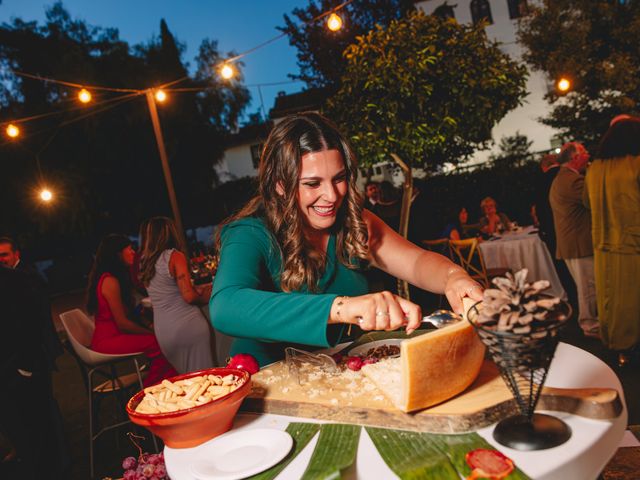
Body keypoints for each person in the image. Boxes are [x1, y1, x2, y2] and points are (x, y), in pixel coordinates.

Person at [210, 112, 483, 366]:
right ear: (281, 185)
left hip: (337, 373)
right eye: (312, 183)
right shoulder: (250, 232)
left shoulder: (353, 221)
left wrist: (453, 276)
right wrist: (341, 307)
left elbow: (417, 262)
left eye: (338, 179)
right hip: (267, 380)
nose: (331, 195)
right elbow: (225, 306)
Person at [0, 265, 68, 479]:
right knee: (21, 435)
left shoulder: (14, 279)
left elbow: (32, 321)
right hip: (11, 371)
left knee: (38, 434)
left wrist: (24, 367)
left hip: (20, 370)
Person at [584, 116, 640, 366]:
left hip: (604, 246)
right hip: (632, 244)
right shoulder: (635, 164)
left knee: (612, 301)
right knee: (633, 299)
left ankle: (621, 349)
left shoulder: (594, 170)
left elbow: (586, 202)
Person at [86, 234, 177, 386]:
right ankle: (149, 392)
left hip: (116, 335)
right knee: (159, 343)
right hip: (108, 340)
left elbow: (130, 315)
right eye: (129, 249)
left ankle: (160, 386)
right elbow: (122, 323)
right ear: (117, 254)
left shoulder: (115, 278)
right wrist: (151, 332)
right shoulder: (109, 281)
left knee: (163, 342)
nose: (133, 252)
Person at [139, 217, 214, 374]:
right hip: (187, 326)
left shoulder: (145, 263)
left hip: (164, 330)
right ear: (171, 233)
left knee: (187, 380)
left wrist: (196, 289)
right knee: (205, 377)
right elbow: (189, 296)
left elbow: (169, 291)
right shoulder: (174, 256)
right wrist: (209, 295)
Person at [549, 142, 599, 338]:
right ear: (574, 158)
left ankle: (591, 323)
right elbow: (594, 200)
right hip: (579, 244)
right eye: (584, 152)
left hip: (573, 243)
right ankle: (590, 325)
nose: (588, 155)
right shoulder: (572, 181)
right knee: (589, 288)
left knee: (587, 287)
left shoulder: (563, 178)